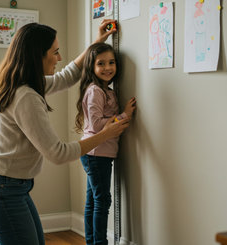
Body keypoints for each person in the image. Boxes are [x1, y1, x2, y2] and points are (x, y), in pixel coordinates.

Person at [0, 19, 128, 245]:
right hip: (0, 187)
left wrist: (97, 43)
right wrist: (106, 133)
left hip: (8, 184)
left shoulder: (25, 82)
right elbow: (58, 153)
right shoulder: (25, 96)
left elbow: (67, 76)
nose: (59, 58)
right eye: (55, 52)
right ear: (38, 55)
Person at [75, 42, 136, 245]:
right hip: (96, 153)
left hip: (98, 154)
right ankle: (99, 242)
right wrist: (125, 115)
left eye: (111, 62)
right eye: (101, 63)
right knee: (102, 201)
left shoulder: (105, 90)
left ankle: (92, 241)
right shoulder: (95, 91)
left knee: (93, 201)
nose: (107, 67)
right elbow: (98, 124)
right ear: (91, 67)